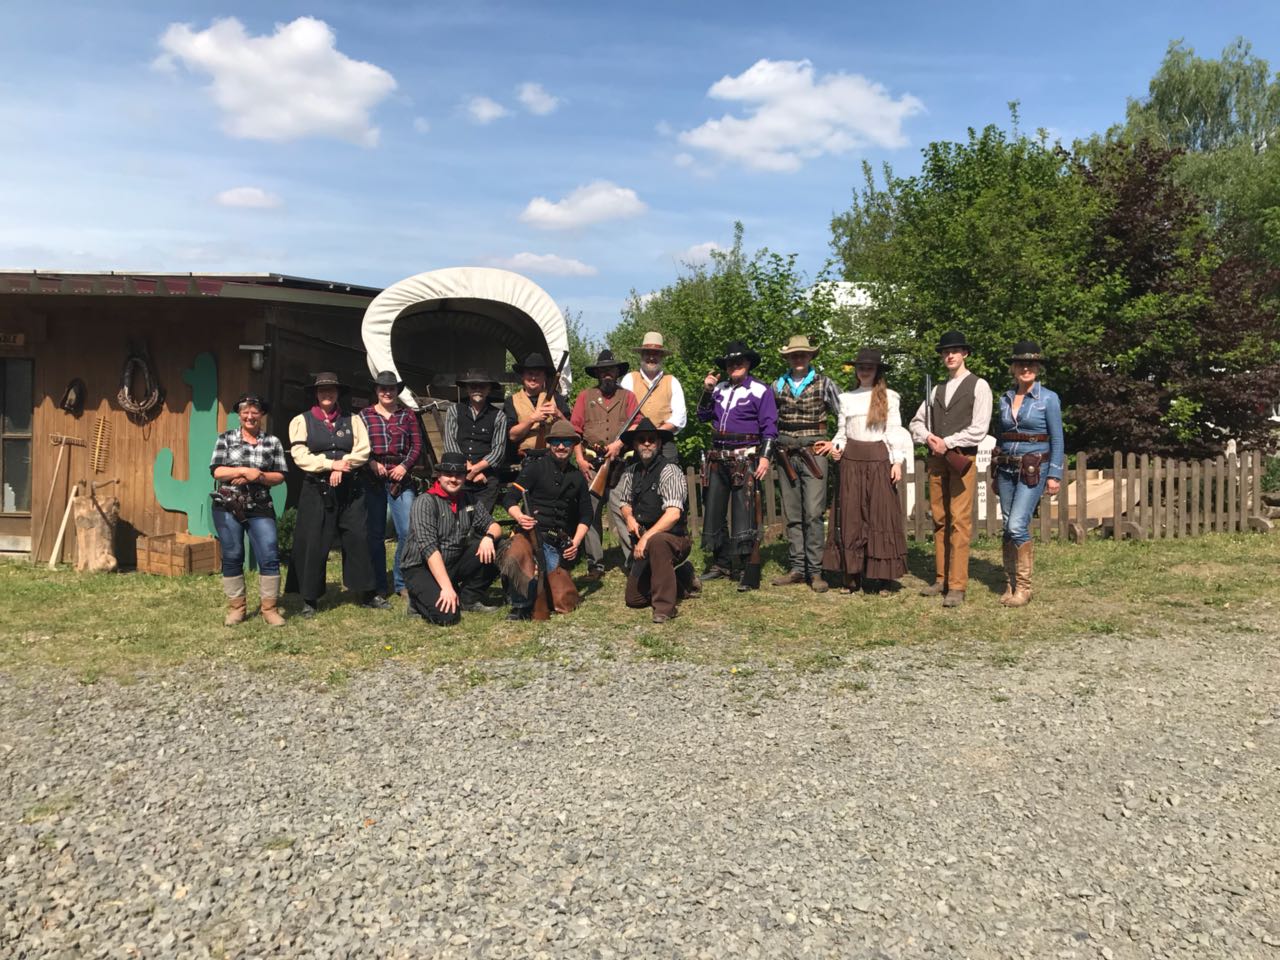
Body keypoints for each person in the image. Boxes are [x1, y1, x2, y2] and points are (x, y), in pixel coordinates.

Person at [285, 372, 386, 618]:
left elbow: (363, 450)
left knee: (358, 537)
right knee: (314, 541)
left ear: (338, 393)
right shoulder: (301, 420)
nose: (327, 394)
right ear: (316, 394)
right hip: (316, 489)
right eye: (322, 390)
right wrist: (330, 465)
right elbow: (300, 455)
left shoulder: (353, 420)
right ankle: (309, 598)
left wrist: (343, 465)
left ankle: (366, 592)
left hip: (350, 488)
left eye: (331, 389)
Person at [909, 331, 993, 607]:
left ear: (965, 353)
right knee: (940, 518)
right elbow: (916, 423)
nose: (950, 356)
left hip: (961, 460)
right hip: (938, 460)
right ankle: (941, 578)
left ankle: (957, 585)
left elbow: (979, 429)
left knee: (959, 521)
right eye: (946, 352)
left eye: (955, 351)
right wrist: (929, 438)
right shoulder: (936, 390)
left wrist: (948, 442)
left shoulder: (979, 386)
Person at [823, 349, 910, 595]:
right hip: (851, 462)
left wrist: (897, 462)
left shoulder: (890, 397)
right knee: (851, 517)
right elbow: (842, 433)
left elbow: (894, 431)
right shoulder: (846, 398)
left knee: (880, 516)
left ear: (877, 370)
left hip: (879, 461)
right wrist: (837, 448)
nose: (864, 371)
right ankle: (851, 576)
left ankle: (884, 578)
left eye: (869, 367)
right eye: (861, 367)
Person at [696, 339, 778, 591]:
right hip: (717, 457)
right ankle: (721, 563)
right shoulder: (718, 389)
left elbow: (770, 426)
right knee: (714, 510)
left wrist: (765, 457)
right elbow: (702, 415)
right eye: (731, 362)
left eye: (739, 361)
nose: (735, 365)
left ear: (748, 363)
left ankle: (744, 567)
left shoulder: (761, 390)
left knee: (745, 514)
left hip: (745, 458)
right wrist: (707, 391)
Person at [992, 341, 1064, 607]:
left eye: (1031, 364)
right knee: (1007, 526)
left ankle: (1024, 587)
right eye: (1021, 364)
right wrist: (994, 468)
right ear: (1013, 368)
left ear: (1038, 368)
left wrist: (1055, 475)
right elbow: (1000, 435)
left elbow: (1058, 439)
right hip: (1006, 467)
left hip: (1034, 468)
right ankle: (1010, 583)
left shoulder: (1049, 398)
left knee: (1017, 525)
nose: (1026, 368)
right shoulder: (1004, 398)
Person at [771, 334, 842, 593]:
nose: (798, 358)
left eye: (802, 354)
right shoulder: (776, 385)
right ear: (788, 358)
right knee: (792, 513)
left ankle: (816, 570)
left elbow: (844, 415)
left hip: (815, 453)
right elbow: (769, 420)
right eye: (793, 355)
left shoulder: (825, 383)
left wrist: (835, 442)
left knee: (813, 512)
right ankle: (797, 567)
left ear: (811, 356)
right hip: (786, 453)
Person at [209, 394, 288, 626]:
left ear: (262, 414)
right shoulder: (225, 439)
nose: (250, 416)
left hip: (260, 505)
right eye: (245, 412)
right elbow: (217, 471)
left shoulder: (272, 442)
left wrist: (259, 476)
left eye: (255, 412)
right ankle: (237, 608)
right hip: (227, 505)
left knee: (269, 554)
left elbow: (280, 475)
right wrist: (244, 471)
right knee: (232, 555)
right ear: (239, 415)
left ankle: (270, 609)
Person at [501, 419, 590, 620]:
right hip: (529, 533)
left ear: (573, 445)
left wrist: (575, 543)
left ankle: (541, 594)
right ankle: (520, 605)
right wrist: (520, 517)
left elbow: (587, 514)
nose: (561, 446)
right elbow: (510, 498)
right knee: (515, 553)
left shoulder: (577, 477)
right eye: (556, 441)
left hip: (555, 542)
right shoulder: (535, 468)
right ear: (550, 444)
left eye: (566, 442)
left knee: (565, 603)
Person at [401, 451, 504, 625]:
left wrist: (488, 537)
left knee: (499, 545)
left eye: (459, 475)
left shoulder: (469, 499)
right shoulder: (425, 502)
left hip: (452, 561)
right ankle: (416, 601)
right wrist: (447, 588)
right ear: (439, 475)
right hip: (421, 567)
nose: (454, 479)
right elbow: (429, 549)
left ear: (465, 477)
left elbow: (494, 526)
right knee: (447, 616)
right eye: (448, 474)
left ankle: (469, 599)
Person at [617, 417, 697, 623]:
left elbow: (673, 514)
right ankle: (682, 578)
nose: (646, 443)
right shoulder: (631, 471)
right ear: (634, 445)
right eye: (641, 439)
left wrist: (646, 538)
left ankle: (664, 608)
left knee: (658, 541)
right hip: (644, 542)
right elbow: (624, 502)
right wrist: (629, 517)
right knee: (634, 599)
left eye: (651, 439)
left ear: (659, 443)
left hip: (673, 539)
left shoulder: (670, 471)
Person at [571, 349, 640, 579]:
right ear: (598, 373)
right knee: (590, 515)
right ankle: (595, 564)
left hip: (620, 465)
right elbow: (575, 431)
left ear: (617, 372)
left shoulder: (628, 397)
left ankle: (633, 561)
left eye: (610, 369)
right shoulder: (585, 396)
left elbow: (637, 424)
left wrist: (620, 444)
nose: (607, 373)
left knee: (622, 511)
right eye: (603, 370)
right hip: (592, 465)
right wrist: (580, 460)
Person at [359, 370, 423, 600]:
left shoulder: (407, 415)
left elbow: (417, 446)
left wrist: (404, 467)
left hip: (401, 480)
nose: (387, 392)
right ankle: (378, 583)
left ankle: (401, 580)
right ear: (376, 391)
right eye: (383, 388)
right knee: (374, 533)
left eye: (391, 388)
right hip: (373, 479)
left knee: (407, 530)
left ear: (397, 391)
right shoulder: (364, 416)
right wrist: (370, 462)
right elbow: (357, 445)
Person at [444, 369, 507, 513]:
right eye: (473, 386)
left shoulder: (499, 416)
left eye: (482, 386)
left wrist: (476, 470)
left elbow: (498, 451)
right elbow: (450, 443)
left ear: (489, 389)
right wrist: (468, 470)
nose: (478, 389)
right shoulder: (454, 411)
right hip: (457, 474)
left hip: (486, 476)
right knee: (456, 518)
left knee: (481, 519)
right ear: (467, 388)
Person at [619, 332, 686, 463]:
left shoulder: (672, 381)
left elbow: (680, 418)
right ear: (641, 356)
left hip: (664, 441)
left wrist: (657, 434)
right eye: (647, 353)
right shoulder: (629, 379)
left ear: (661, 357)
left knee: (670, 472)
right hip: (635, 441)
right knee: (631, 473)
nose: (651, 357)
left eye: (655, 354)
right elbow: (622, 414)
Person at [504, 352, 571, 461]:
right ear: (523, 376)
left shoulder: (556, 398)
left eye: (538, 374)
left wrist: (558, 414)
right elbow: (512, 436)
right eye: (530, 373)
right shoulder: (511, 401)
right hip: (523, 458)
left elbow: (570, 431)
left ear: (544, 377)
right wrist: (532, 419)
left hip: (553, 457)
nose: (533, 378)